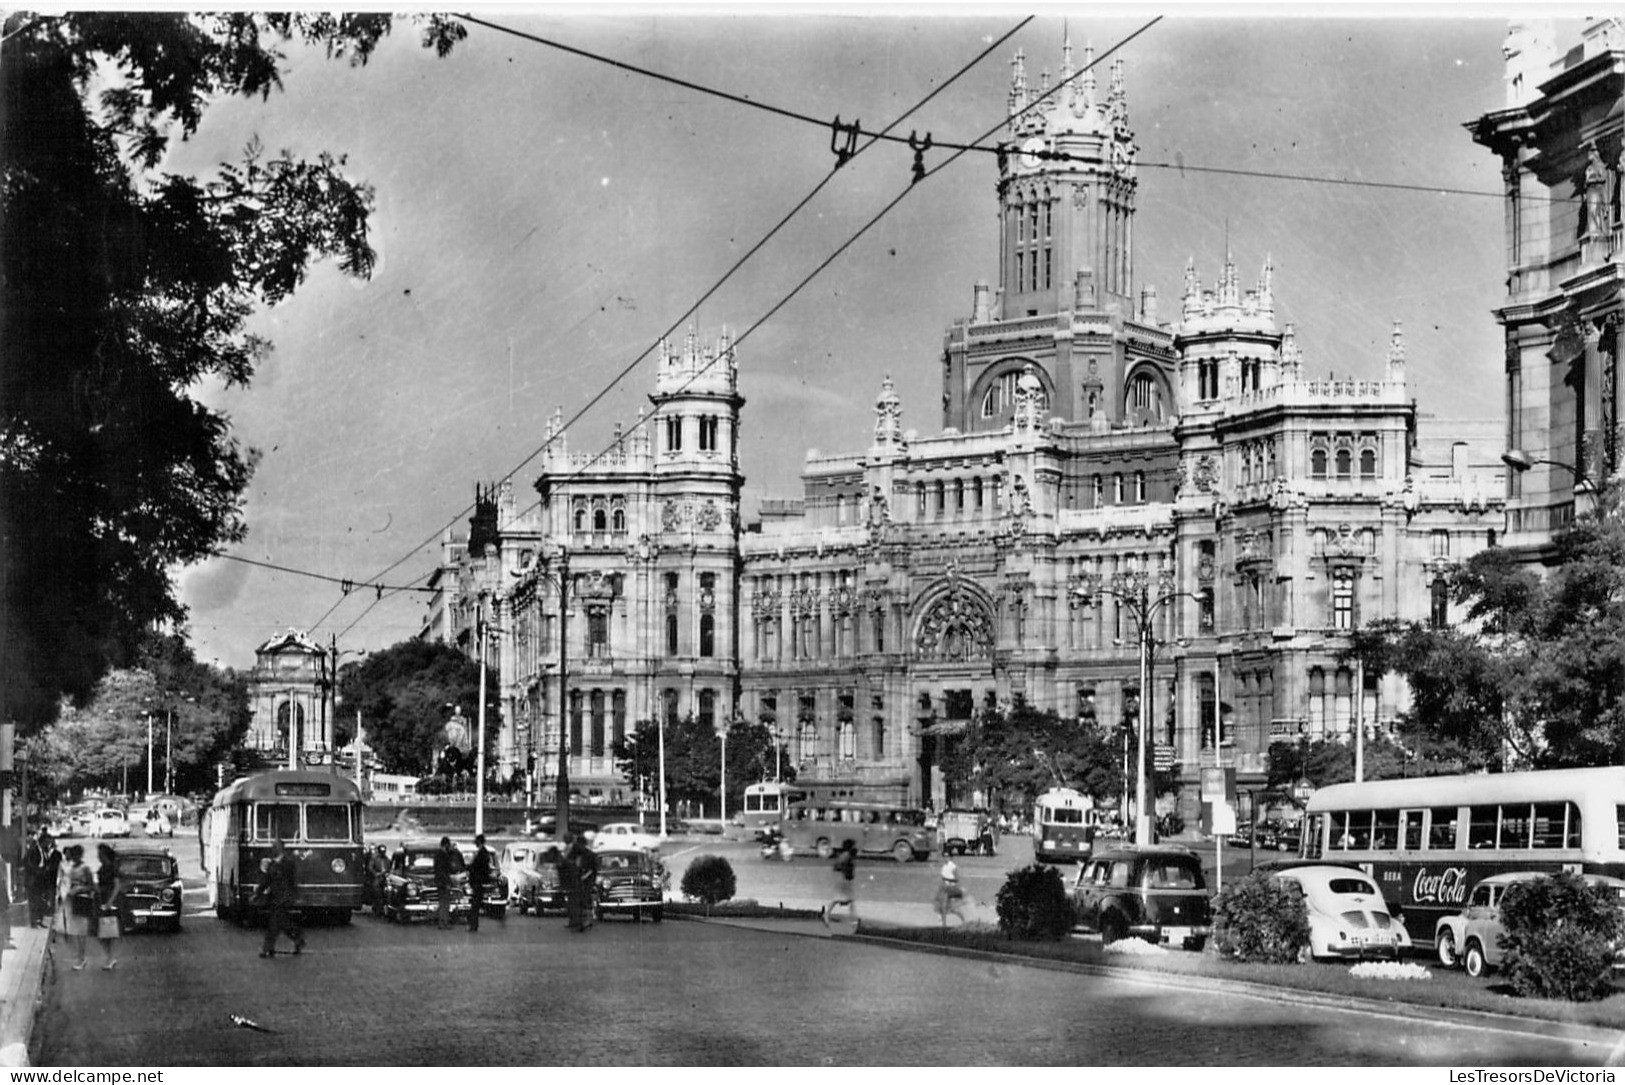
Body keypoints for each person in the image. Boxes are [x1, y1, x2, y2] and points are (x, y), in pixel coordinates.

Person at [256, 838, 305, 959]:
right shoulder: (272, 864)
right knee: (281, 923)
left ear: (281, 848)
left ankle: (266, 948)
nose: (273, 848)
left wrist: (295, 895)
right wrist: (258, 893)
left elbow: (293, 881)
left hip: (285, 897)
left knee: (274, 923)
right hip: (274, 898)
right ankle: (298, 938)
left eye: (276, 846)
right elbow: (266, 881)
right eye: (273, 846)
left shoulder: (288, 863)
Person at [57, 845, 95, 971]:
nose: (74, 858)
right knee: (74, 930)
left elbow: (92, 886)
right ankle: (79, 956)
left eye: (76, 855)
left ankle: (82, 958)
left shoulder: (85, 869)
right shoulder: (72, 868)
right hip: (73, 900)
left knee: (81, 931)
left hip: (83, 900)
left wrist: (80, 889)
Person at [93, 843, 123, 970]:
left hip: (112, 901)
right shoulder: (101, 869)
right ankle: (110, 957)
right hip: (101, 900)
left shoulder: (112, 868)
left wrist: (110, 901)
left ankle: (110, 958)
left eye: (100, 854)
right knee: (100, 932)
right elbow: (99, 885)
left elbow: (117, 886)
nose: (98, 856)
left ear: (104, 855)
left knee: (110, 930)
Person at [821, 839, 859, 931]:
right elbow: (838, 866)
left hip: (844, 879)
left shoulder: (846, 855)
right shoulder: (846, 855)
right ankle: (853, 919)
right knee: (847, 900)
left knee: (840, 899)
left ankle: (826, 915)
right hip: (844, 880)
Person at [562, 833, 595, 932]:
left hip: (585, 882)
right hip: (574, 881)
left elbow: (592, 869)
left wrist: (584, 877)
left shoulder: (589, 855)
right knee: (573, 902)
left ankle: (584, 921)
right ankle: (574, 921)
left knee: (584, 901)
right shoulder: (574, 853)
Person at [433, 836, 461, 930]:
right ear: (446, 845)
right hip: (444, 882)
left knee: (442, 903)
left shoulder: (437, 855)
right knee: (445, 904)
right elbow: (444, 870)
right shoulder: (443, 855)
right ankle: (444, 922)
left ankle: (442, 922)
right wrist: (447, 882)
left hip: (439, 881)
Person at [466, 834, 493, 932]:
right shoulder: (483, 853)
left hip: (478, 881)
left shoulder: (482, 854)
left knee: (475, 904)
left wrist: (470, 868)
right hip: (479, 881)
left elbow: (477, 867)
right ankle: (473, 924)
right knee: (476, 904)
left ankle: (473, 925)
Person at [935, 855, 967, 928]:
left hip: (951, 889)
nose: (945, 858)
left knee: (953, 909)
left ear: (951, 858)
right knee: (942, 908)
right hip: (945, 889)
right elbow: (943, 878)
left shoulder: (953, 866)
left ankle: (964, 921)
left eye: (947, 856)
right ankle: (943, 926)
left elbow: (957, 879)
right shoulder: (943, 867)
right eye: (943, 856)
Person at [22, 830, 45, 929]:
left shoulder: (42, 851)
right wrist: (36, 871)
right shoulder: (33, 850)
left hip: (38, 880)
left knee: (39, 900)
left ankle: (38, 920)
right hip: (32, 880)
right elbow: (26, 863)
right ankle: (33, 922)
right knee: (33, 901)